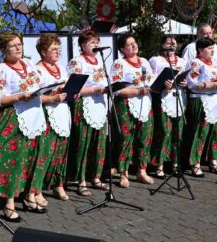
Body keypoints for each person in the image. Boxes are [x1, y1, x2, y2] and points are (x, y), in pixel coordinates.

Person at [0, 31, 46, 222]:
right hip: (14, 117)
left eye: (20, 44)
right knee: (13, 159)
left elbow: (39, 85)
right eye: (13, 46)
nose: (18, 48)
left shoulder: (28, 64)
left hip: (34, 115)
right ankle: (8, 203)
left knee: (30, 158)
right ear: (3, 49)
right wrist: (20, 96)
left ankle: (28, 196)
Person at [67, 30, 109, 196]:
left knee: (99, 142)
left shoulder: (100, 61)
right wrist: (95, 89)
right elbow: (73, 87)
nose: (96, 45)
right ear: (83, 45)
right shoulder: (77, 62)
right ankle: (81, 179)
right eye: (92, 43)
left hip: (99, 104)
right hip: (84, 104)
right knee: (83, 142)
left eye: (97, 42)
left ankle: (96, 176)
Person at [111, 34, 155, 188]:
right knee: (126, 139)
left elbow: (152, 80)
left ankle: (141, 170)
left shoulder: (144, 62)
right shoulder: (119, 63)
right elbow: (116, 89)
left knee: (145, 137)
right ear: (122, 49)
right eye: (129, 44)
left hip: (145, 103)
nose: (133, 46)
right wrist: (137, 91)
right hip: (126, 104)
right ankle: (123, 173)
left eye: (134, 43)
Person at [32, 33, 71, 204]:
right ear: (43, 52)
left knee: (61, 152)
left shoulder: (61, 68)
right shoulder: (37, 70)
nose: (57, 52)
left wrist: (71, 92)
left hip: (63, 112)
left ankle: (58, 184)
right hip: (46, 114)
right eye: (53, 49)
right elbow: (33, 96)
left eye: (58, 49)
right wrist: (52, 98)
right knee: (45, 152)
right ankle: (37, 189)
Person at [184, 37, 217, 177]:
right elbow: (193, 84)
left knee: (216, 131)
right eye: (209, 48)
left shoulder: (216, 63)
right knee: (201, 131)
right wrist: (215, 85)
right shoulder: (195, 63)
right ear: (200, 50)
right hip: (202, 100)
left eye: (213, 48)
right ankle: (195, 163)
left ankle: (213, 160)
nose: (212, 50)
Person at [149, 36, 187, 178]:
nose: (172, 45)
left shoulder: (182, 61)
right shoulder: (156, 60)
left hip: (178, 98)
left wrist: (185, 83)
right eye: (168, 43)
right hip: (163, 98)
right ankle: (159, 165)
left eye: (174, 43)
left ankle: (175, 164)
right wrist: (163, 82)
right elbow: (151, 78)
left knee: (178, 132)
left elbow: (186, 78)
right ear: (162, 44)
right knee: (164, 132)